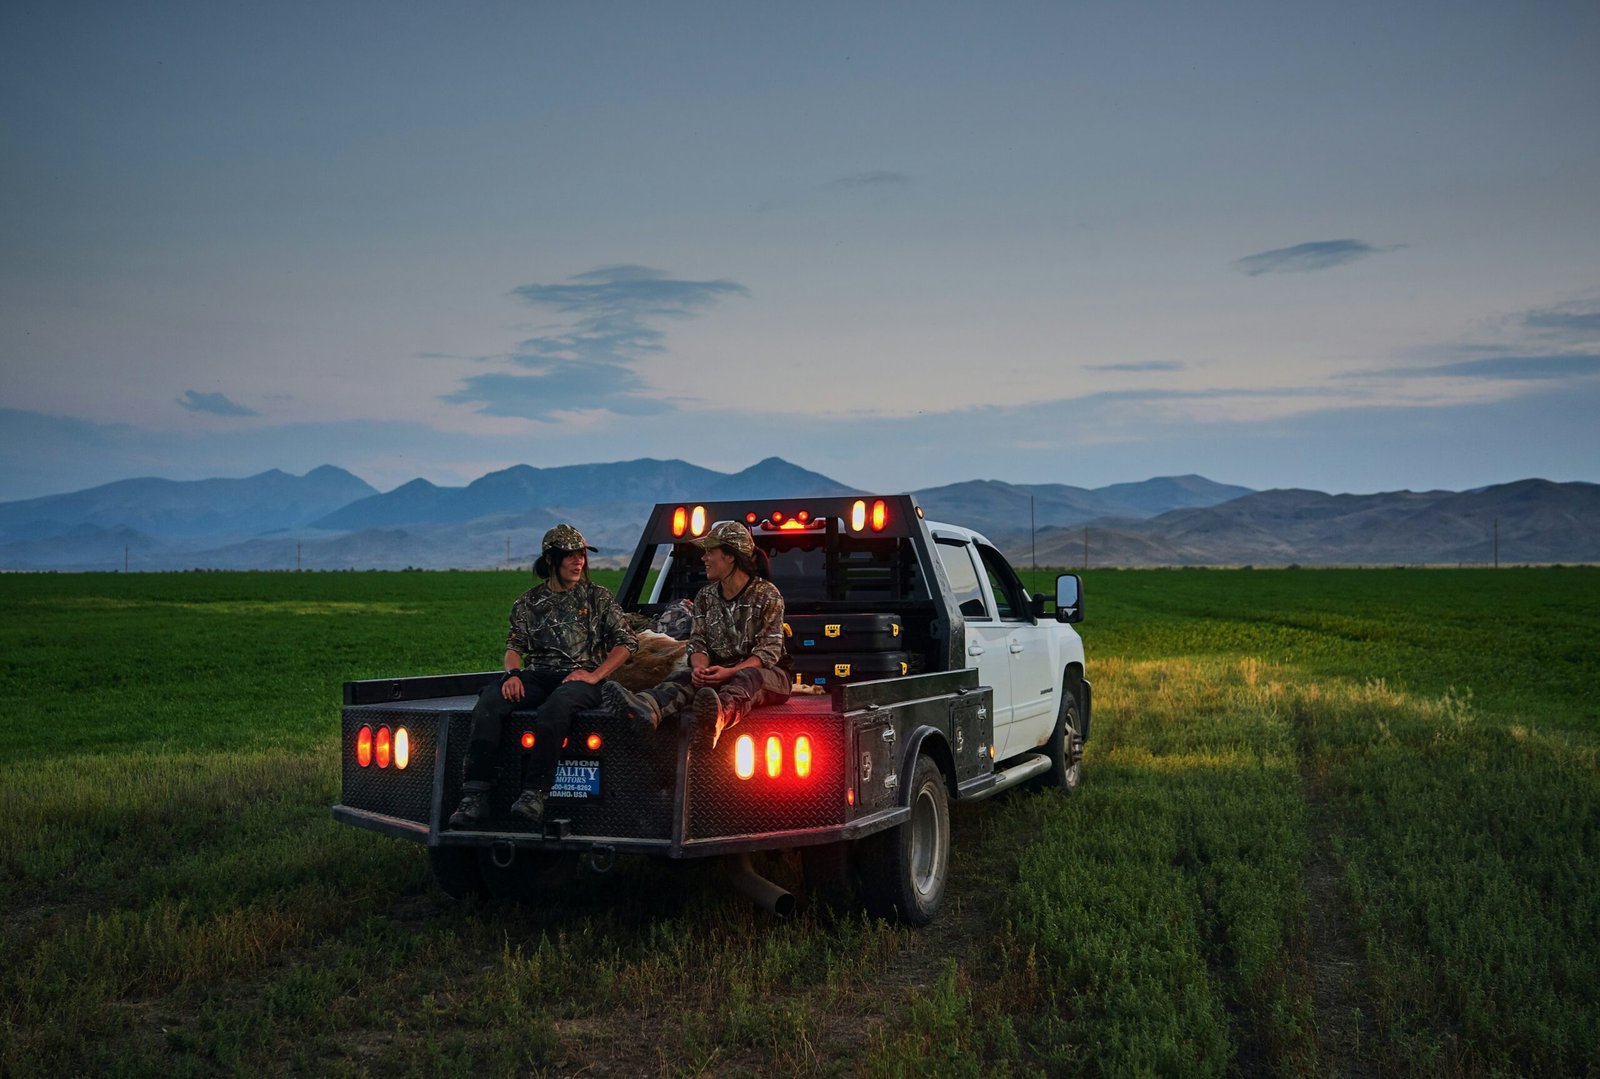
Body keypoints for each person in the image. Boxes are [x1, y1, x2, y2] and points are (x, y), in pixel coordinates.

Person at [449, 524, 637, 829]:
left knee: (556, 707)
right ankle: (475, 796)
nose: (578, 561)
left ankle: (534, 794)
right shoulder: (527, 603)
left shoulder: (598, 597)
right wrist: (513, 675)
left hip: (582, 678)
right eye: (570, 555)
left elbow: (627, 643)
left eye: (581, 555)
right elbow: (514, 648)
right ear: (550, 560)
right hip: (538, 675)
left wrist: (595, 676)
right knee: (490, 700)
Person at [603, 521, 789, 747]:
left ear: (730, 556)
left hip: (767, 674)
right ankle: (645, 709)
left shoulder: (767, 595)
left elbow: (767, 653)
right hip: (719, 669)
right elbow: (698, 642)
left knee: (747, 678)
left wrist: (729, 671)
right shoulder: (705, 597)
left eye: (710, 552)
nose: (704, 558)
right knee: (685, 676)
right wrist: (700, 668)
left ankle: (718, 718)